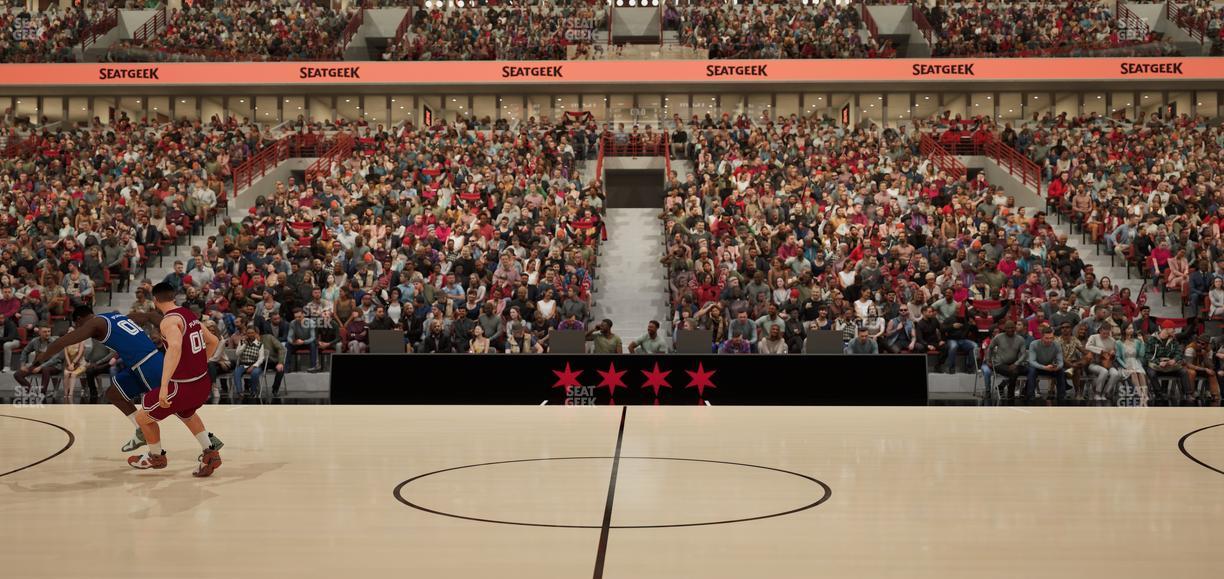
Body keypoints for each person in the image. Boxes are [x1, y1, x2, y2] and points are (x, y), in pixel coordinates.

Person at [33, 304, 223, 454]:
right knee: (114, 393)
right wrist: (167, 325)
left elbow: (65, 340)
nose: (82, 329)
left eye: (80, 325)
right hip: (138, 365)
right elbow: (148, 316)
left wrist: (43, 355)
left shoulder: (94, 324)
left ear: (81, 319)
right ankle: (140, 431)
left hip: (147, 364)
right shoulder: (117, 316)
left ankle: (208, 443)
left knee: (178, 407)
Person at [127, 282, 223, 477]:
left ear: (155, 300)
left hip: (182, 387)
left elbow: (175, 347)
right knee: (187, 414)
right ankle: (210, 453)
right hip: (202, 382)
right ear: (174, 297)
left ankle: (156, 457)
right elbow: (213, 341)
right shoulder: (188, 314)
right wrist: (199, 363)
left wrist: (164, 386)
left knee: (142, 418)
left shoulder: (168, 321)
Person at [1146, 322, 1191, 404]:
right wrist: (1158, 362)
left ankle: (1187, 394)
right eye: (1173, 329)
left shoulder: (1173, 339)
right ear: (1166, 329)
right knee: (1151, 373)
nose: (1174, 331)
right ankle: (1159, 393)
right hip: (1157, 365)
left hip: (1169, 365)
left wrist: (1174, 360)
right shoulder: (1152, 339)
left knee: (1184, 371)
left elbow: (1179, 353)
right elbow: (1148, 355)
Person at [983, 321, 1025, 402]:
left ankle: (1026, 392)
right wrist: (988, 360)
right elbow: (990, 348)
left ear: (1015, 328)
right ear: (1005, 329)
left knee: (1028, 370)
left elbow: (1024, 354)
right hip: (999, 364)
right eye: (1008, 328)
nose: (1010, 329)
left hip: (1013, 364)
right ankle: (1010, 394)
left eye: (1012, 328)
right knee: (1014, 372)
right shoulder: (998, 337)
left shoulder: (1020, 339)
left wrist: (1016, 363)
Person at [1026, 327, 1067, 402]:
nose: (1049, 340)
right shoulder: (1034, 344)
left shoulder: (1057, 345)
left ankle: (1061, 397)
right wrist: (1044, 367)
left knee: (1061, 371)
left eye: (1051, 338)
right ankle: (1030, 397)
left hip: (1050, 367)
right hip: (1038, 367)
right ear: (1041, 337)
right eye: (1046, 338)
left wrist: (1057, 367)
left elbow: (1061, 362)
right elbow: (1032, 361)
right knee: (1031, 370)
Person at [1084, 322, 1123, 401]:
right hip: (1094, 363)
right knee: (1104, 371)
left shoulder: (1112, 340)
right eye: (1104, 333)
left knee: (1116, 374)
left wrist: (1113, 353)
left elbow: (1114, 354)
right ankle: (1097, 393)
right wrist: (1101, 351)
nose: (1105, 335)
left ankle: (1106, 393)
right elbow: (1087, 347)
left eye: (1107, 333)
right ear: (1100, 330)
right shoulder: (1093, 337)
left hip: (1107, 363)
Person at [1115, 325, 1149, 406]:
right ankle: (1140, 395)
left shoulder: (1137, 342)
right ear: (1124, 330)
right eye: (1129, 328)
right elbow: (1118, 357)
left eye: (1132, 328)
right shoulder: (1119, 343)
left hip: (1136, 362)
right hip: (1125, 364)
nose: (1131, 330)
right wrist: (1125, 366)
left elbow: (1141, 355)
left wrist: (1142, 343)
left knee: (1140, 373)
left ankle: (1145, 395)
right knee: (1133, 373)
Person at [232, 326, 267, 399]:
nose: (250, 334)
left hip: (255, 365)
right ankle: (240, 392)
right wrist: (245, 344)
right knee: (236, 372)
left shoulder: (259, 344)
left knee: (254, 373)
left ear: (255, 333)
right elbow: (237, 353)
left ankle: (253, 391)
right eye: (248, 333)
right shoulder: (242, 342)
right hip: (243, 364)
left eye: (252, 333)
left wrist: (253, 366)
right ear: (246, 334)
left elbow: (261, 358)